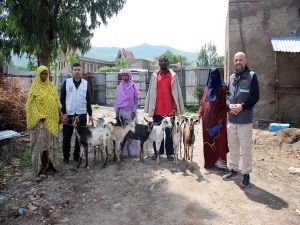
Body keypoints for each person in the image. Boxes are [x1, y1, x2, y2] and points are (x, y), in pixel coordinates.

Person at [222, 52, 259, 188]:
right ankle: (234, 170)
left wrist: (242, 106)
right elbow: (227, 95)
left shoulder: (251, 76)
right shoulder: (231, 77)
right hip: (231, 119)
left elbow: (255, 96)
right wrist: (229, 105)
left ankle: (246, 174)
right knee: (233, 146)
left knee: (246, 148)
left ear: (245, 60)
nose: (238, 62)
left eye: (241, 60)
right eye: (236, 60)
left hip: (245, 120)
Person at [144, 55, 184, 161]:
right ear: (159, 63)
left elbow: (178, 92)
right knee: (157, 132)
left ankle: (169, 153)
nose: (163, 62)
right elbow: (150, 92)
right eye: (161, 61)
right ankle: (158, 152)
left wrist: (177, 106)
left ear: (168, 63)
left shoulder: (173, 76)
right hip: (157, 110)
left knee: (169, 133)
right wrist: (148, 107)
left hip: (170, 110)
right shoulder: (155, 75)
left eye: (165, 60)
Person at [26, 65, 62, 176]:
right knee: (40, 146)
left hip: (52, 121)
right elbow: (30, 106)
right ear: (38, 74)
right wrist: (39, 116)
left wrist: (60, 115)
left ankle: (52, 166)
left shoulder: (51, 86)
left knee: (51, 144)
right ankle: (40, 168)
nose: (44, 75)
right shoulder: (34, 88)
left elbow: (57, 102)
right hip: (40, 123)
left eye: (46, 73)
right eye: (42, 73)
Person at [60, 62, 94, 164]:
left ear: (81, 71)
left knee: (80, 138)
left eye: (79, 69)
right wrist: (64, 113)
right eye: (75, 70)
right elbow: (62, 99)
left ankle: (76, 156)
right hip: (69, 115)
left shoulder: (86, 83)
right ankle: (66, 157)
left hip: (81, 114)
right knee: (66, 137)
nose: (77, 71)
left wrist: (90, 114)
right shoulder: (66, 83)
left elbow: (88, 99)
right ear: (72, 71)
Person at [198, 68, 229, 170]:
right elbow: (202, 102)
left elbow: (225, 105)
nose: (213, 77)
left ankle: (219, 161)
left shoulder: (222, 88)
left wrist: (219, 119)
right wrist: (199, 113)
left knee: (219, 141)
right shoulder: (207, 87)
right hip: (206, 121)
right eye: (211, 74)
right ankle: (210, 162)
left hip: (218, 121)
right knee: (208, 141)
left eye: (215, 75)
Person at [115, 68, 140, 157]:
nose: (124, 77)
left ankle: (133, 152)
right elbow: (117, 100)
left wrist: (133, 111)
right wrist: (117, 112)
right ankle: (123, 152)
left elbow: (136, 101)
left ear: (129, 76)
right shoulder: (119, 87)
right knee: (122, 132)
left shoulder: (133, 86)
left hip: (130, 113)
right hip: (121, 112)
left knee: (132, 132)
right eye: (123, 75)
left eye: (126, 75)